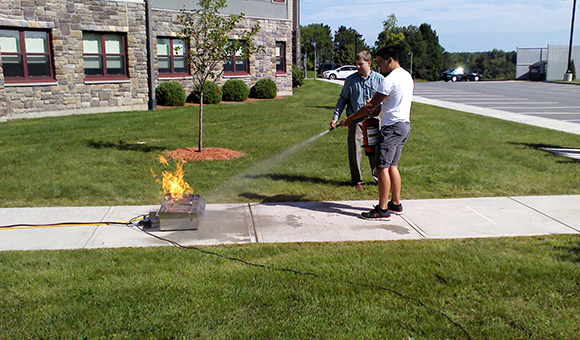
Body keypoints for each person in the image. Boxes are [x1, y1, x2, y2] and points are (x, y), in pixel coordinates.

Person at [338, 46, 413, 220]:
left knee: (381, 167)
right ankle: (395, 203)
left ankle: (382, 209)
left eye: (380, 62)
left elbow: (371, 105)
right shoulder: (406, 76)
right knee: (392, 165)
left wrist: (350, 119)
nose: (379, 66)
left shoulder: (389, 79)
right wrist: (377, 109)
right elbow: (388, 102)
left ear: (390, 59)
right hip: (404, 125)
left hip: (391, 128)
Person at [330, 51, 384, 191]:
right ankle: (357, 180)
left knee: (375, 150)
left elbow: (386, 99)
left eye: (361, 64)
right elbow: (343, 99)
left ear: (369, 63)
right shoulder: (351, 80)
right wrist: (336, 117)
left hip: (373, 120)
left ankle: (379, 179)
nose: (357, 67)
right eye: (356, 64)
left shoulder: (379, 79)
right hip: (355, 120)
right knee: (354, 150)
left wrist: (379, 107)